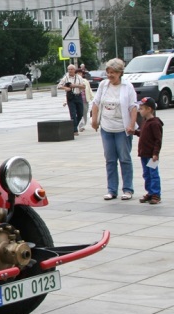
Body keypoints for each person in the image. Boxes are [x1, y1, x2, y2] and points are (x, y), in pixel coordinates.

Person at [91, 58, 138, 201]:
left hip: (122, 129)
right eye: (109, 72)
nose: (110, 75)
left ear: (120, 73)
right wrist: (94, 120)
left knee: (124, 158)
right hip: (107, 127)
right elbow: (96, 102)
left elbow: (133, 107)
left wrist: (131, 125)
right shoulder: (103, 85)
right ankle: (112, 190)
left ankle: (128, 189)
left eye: (113, 73)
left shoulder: (127, 86)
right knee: (110, 160)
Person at [134, 97, 163, 205]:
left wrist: (156, 153)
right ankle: (150, 192)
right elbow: (143, 133)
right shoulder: (145, 122)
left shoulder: (155, 123)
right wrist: (135, 132)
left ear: (149, 109)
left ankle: (156, 194)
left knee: (153, 174)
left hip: (152, 155)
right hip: (144, 154)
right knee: (146, 174)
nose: (139, 110)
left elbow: (158, 140)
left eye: (141, 108)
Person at [58, 64, 86, 136]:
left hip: (78, 96)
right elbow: (59, 86)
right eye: (69, 69)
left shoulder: (79, 77)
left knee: (80, 113)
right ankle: (74, 130)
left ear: (74, 70)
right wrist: (65, 88)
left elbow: (83, 86)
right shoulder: (66, 77)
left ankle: (73, 127)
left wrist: (75, 85)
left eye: (71, 69)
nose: (70, 71)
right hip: (71, 97)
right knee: (73, 114)